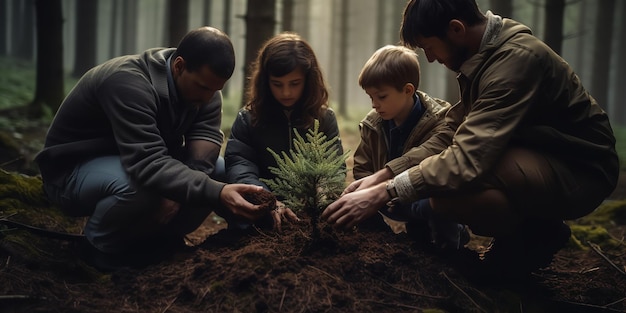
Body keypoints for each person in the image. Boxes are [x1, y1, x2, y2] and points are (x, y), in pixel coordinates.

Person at [322, 0, 619, 279]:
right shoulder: (486, 57)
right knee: (444, 181)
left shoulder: (513, 62)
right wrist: (385, 175)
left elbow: (467, 157)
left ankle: (529, 239)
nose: (431, 58)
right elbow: (450, 131)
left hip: (582, 170)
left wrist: (384, 192)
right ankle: (536, 230)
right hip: (539, 157)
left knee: (454, 183)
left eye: (430, 47)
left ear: (456, 29)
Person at [35, 27, 271, 270]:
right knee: (139, 185)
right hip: (71, 173)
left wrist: (183, 190)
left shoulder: (206, 92)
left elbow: (205, 151)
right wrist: (209, 192)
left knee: (219, 169)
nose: (209, 96)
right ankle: (97, 247)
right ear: (179, 66)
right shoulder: (126, 82)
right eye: (202, 87)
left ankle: (160, 241)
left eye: (215, 90)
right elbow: (146, 162)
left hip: (128, 163)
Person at [224, 32, 344, 232]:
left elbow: (335, 167)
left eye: (294, 84)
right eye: (277, 84)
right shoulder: (248, 119)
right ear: (265, 81)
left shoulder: (324, 119)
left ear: (308, 79)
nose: (286, 93)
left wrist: (321, 193)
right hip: (263, 209)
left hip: (310, 214)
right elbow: (239, 165)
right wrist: (269, 202)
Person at [352, 44, 467, 250]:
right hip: (385, 200)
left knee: (438, 208)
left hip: (422, 199)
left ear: (407, 90)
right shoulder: (373, 125)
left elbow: (439, 171)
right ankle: (388, 246)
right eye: (371, 97)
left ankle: (451, 250)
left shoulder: (441, 120)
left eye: (382, 97)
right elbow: (362, 169)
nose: (374, 105)